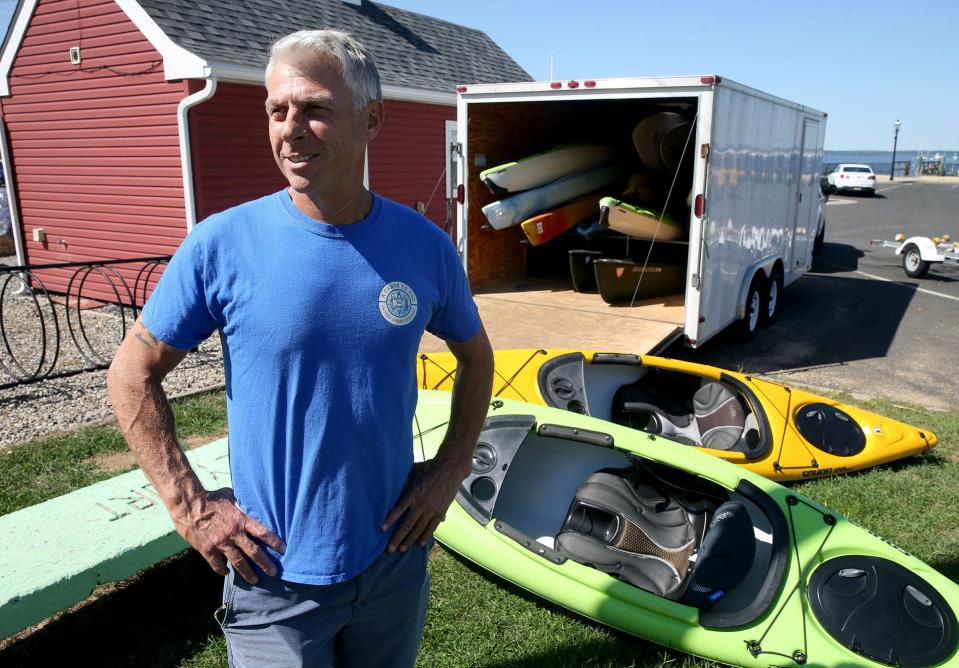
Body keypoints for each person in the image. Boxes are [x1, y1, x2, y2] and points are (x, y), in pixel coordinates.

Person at [107, 29, 493, 668]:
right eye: (276, 111)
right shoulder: (221, 245)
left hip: (392, 560)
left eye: (314, 108)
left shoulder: (424, 246)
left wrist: (449, 471)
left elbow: (476, 355)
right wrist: (191, 506)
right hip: (272, 573)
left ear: (371, 120)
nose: (291, 129)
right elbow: (131, 373)